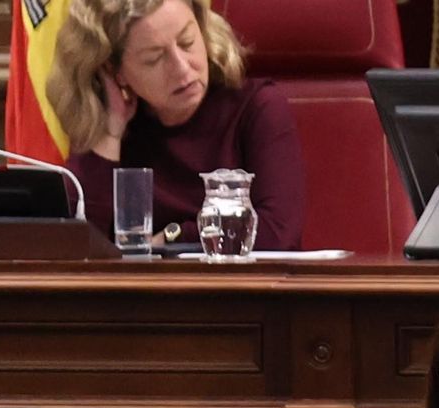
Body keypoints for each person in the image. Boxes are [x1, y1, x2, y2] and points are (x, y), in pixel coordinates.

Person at [46, 0, 304, 250]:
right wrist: (109, 133)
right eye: (154, 58)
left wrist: (173, 239)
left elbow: (278, 233)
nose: (182, 69)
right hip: (137, 294)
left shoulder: (256, 108)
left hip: (243, 292)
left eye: (187, 42)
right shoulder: (111, 129)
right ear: (115, 72)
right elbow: (79, 247)